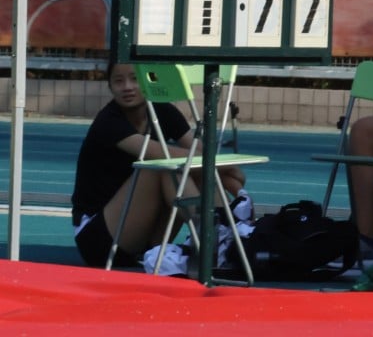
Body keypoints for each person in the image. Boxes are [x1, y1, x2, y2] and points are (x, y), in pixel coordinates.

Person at [70, 62, 247, 268]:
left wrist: (235, 185)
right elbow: (169, 155)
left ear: (148, 81)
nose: (127, 87)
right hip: (99, 239)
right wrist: (231, 170)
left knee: (189, 168)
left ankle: (223, 230)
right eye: (118, 81)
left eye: (135, 79)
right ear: (110, 87)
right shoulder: (108, 122)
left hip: (145, 239)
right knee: (163, 167)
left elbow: (199, 151)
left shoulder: (162, 111)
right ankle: (212, 234)